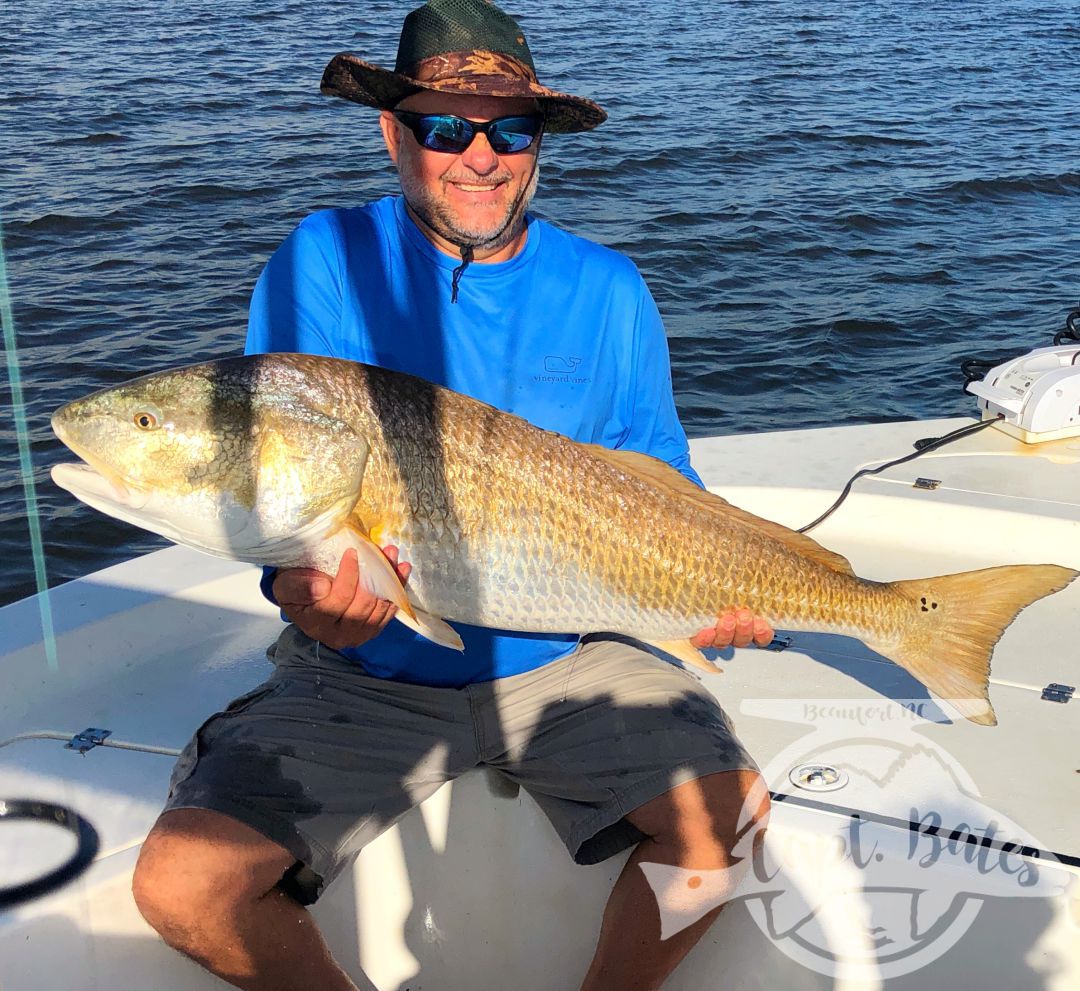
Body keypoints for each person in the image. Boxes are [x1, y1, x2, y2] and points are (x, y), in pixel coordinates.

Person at [132, 2, 774, 989]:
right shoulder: (327, 261)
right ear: (394, 134)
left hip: (572, 653)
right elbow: (283, 488)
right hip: (365, 675)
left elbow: (659, 477)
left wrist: (717, 588)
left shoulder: (609, 290)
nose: (479, 155)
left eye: (508, 128)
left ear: (537, 143)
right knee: (185, 886)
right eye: (443, 127)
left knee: (728, 821)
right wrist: (310, 601)